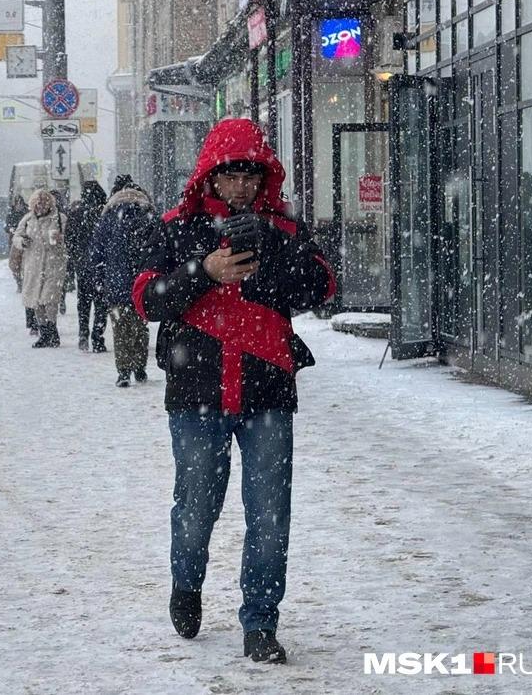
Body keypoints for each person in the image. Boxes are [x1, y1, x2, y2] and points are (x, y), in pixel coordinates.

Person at [132, 118, 336, 663]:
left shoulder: (285, 229)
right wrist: (205, 271)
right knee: (196, 506)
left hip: (267, 392)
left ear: (263, 175)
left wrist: (274, 247)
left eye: (250, 174)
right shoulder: (177, 227)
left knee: (270, 512)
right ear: (211, 177)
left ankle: (261, 622)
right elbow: (146, 299)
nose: (241, 186)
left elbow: (323, 287)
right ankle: (187, 584)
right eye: (230, 175)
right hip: (196, 389)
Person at [89, 179, 156, 385]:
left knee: (120, 328)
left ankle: (124, 371)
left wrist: (99, 279)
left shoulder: (108, 216)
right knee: (140, 326)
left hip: (115, 280)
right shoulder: (148, 215)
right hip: (141, 282)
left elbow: (97, 251)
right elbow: (156, 249)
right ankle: (139, 366)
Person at [11, 189, 69, 348]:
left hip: (54, 264)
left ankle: (52, 330)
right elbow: (16, 237)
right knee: (36, 300)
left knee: (49, 299)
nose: (40, 206)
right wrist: (22, 242)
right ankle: (44, 333)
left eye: (44, 202)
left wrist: (60, 239)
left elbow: (69, 239)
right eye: (37, 203)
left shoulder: (59, 219)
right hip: (33, 265)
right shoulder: (28, 219)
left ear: (50, 203)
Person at [66, 181, 109, 352]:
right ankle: (98, 338)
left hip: (83, 265)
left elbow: (69, 241)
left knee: (83, 301)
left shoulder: (76, 214)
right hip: (100, 265)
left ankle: (83, 334)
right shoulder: (104, 214)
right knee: (100, 303)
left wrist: (77, 256)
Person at [6, 194, 36, 333]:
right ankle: (33, 322)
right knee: (29, 291)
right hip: (26, 259)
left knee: (36, 293)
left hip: (37, 263)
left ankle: (39, 323)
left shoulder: (28, 218)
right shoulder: (25, 219)